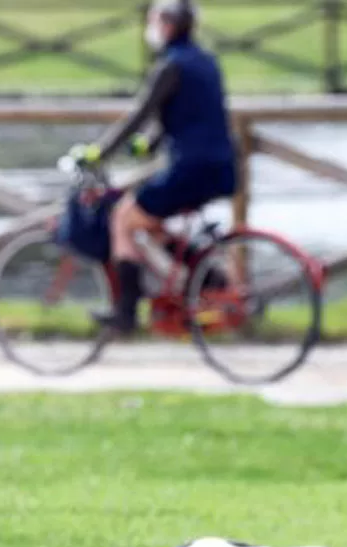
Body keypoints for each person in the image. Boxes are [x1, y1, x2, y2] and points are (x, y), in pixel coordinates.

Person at [71, 0, 238, 333]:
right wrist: (149, 144)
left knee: (122, 218)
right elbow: (187, 113)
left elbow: (140, 114)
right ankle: (210, 278)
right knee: (148, 221)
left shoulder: (170, 65)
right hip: (222, 166)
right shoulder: (206, 62)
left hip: (190, 167)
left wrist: (99, 153)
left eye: (153, 21)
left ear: (166, 24)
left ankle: (126, 314)